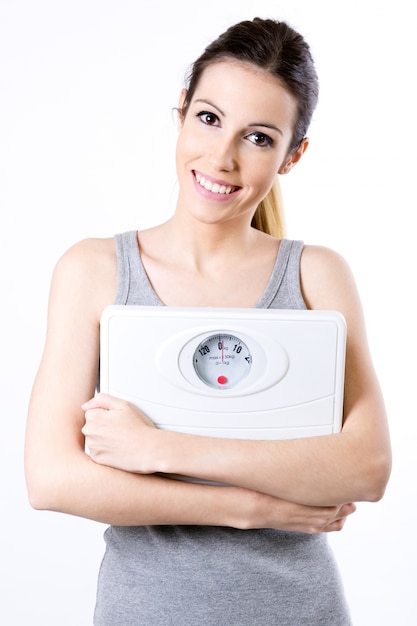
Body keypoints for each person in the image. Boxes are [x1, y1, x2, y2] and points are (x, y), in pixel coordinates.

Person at [25, 17, 391, 626]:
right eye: (210, 118)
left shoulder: (316, 275)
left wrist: (158, 448)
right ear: (181, 115)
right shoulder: (94, 270)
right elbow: (53, 479)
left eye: (259, 137)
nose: (221, 159)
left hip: (300, 611)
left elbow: (368, 467)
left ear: (292, 155)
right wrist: (254, 508)